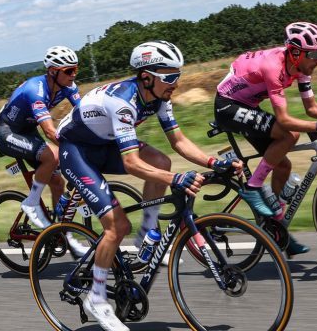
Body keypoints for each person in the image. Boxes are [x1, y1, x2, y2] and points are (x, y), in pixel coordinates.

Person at [56, 41, 241, 331]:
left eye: (177, 75)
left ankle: (145, 237)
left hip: (104, 144)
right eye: (169, 77)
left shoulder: (159, 97)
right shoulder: (124, 102)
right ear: (146, 76)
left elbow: (178, 141)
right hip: (76, 151)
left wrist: (213, 162)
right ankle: (97, 296)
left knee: (161, 162)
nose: (176, 83)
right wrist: (176, 180)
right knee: (116, 227)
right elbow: (131, 164)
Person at [214, 22, 317, 256]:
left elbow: (312, 108)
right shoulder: (273, 67)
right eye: (315, 54)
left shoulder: (301, 68)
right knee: (290, 134)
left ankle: (275, 226)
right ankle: (253, 188)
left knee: (283, 165)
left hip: (248, 106)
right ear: (296, 52)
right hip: (228, 106)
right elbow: (285, 121)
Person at [0, 46, 81, 230]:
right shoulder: (36, 90)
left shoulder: (68, 87)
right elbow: (50, 132)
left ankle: (60, 231)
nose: (73, 75)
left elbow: (85, 114)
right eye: (69, 71)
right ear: (52, 71)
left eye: (76, 69)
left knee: (58, 182)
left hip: (28, 131)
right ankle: (31, 203)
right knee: (53, 155)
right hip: (8, 132)